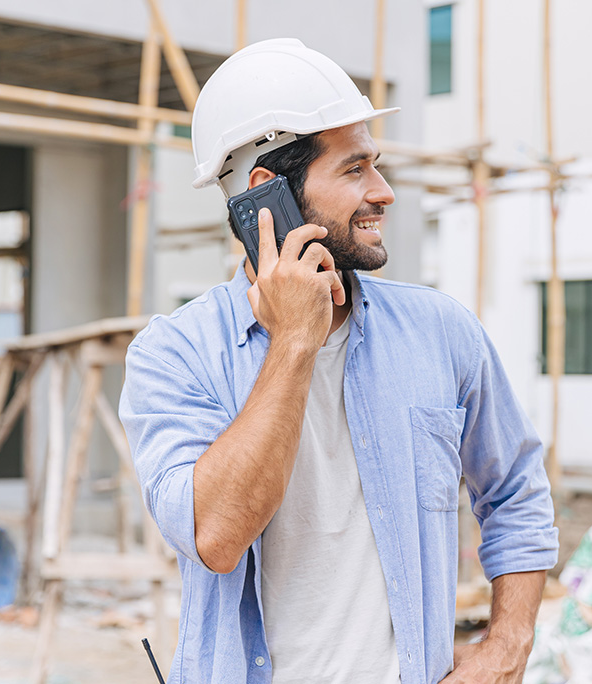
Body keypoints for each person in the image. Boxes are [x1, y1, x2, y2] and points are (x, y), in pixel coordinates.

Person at [119, 39, 558, 684]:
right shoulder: (173, 355)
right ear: (268, 197)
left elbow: (516, 490)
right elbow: (213, 534)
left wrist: (507, 646)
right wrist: (294, 341)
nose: (383, 192)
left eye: (375, 166)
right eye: (354, 170)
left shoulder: (442, 331)